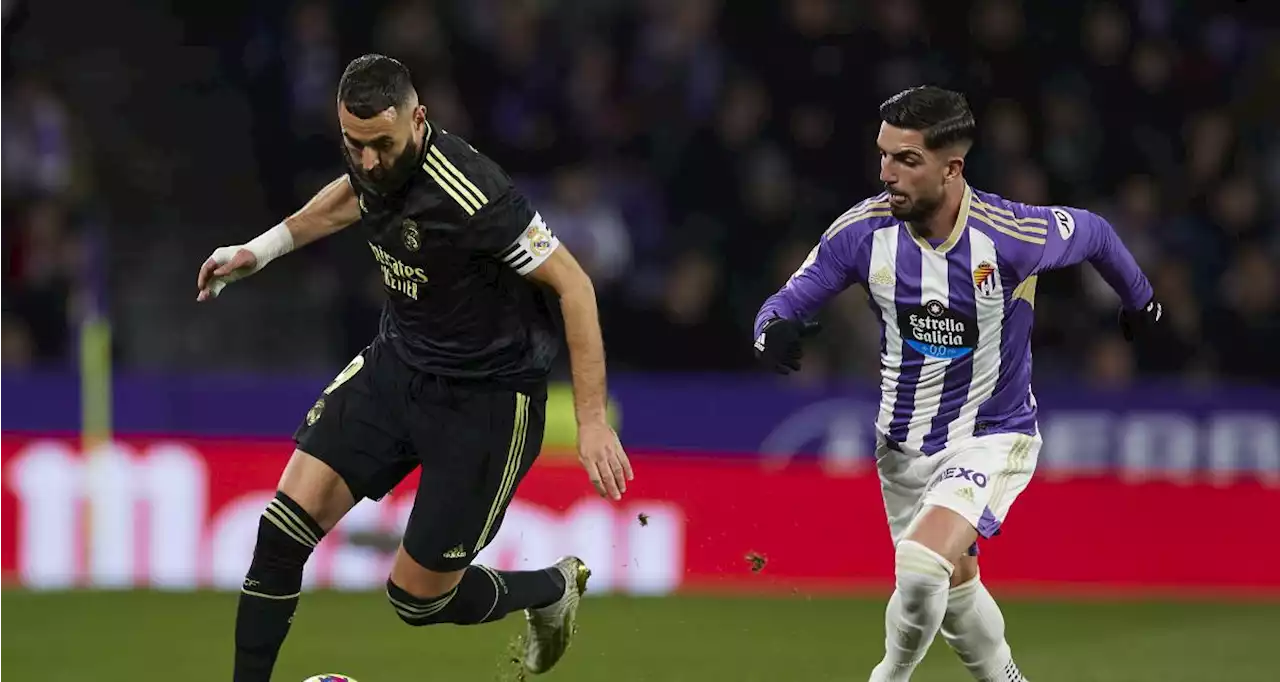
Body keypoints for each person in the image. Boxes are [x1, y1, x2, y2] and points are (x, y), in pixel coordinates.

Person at [195, 54, 633, 681]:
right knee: (280, 533)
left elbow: (575, 286)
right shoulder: (367, 162)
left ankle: (550, 589)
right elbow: (353, 195)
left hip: (486, 402)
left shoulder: (473, 192)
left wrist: (590, 419)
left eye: (382, 144)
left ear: (418, 119)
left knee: (418, 599)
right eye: (354, 142)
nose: (369, 160)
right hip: (398, 365)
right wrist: (259, 251)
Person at [752, 86, 1162, 682]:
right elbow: (781, 305)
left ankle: (888, 676)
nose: (887, 174)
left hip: (993, 435)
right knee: (957, 592)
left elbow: (1095, 233)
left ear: (952, 169)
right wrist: (772, 333)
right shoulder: (862, 233)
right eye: (884, 155)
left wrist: (1140, 300)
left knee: (920, 568)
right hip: (901, 448)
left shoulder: (1011, 234)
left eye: (906, 160)